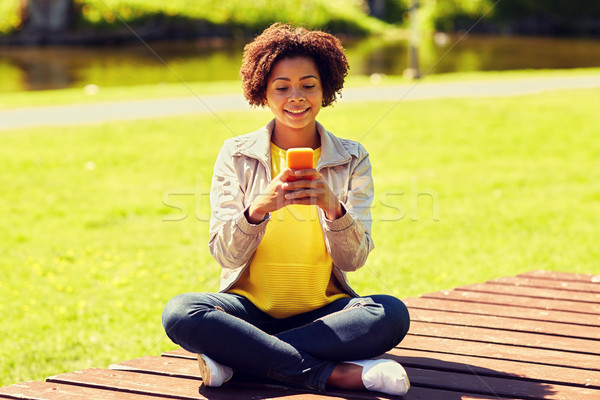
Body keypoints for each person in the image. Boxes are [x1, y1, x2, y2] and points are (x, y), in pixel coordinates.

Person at [162, 23, 411, 396]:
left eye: (308, 85)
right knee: (182, 313)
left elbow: (355, 259)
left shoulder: (352, 158)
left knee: (390, 314)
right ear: (263, 91)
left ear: (326, 88)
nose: (296, 97)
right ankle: (332, 374)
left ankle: (242, 356)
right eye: (282, 87)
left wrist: (332, 207)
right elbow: (224, 253)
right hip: (247, 308)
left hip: (325, 310)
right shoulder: (237, 153)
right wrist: (259, 208)